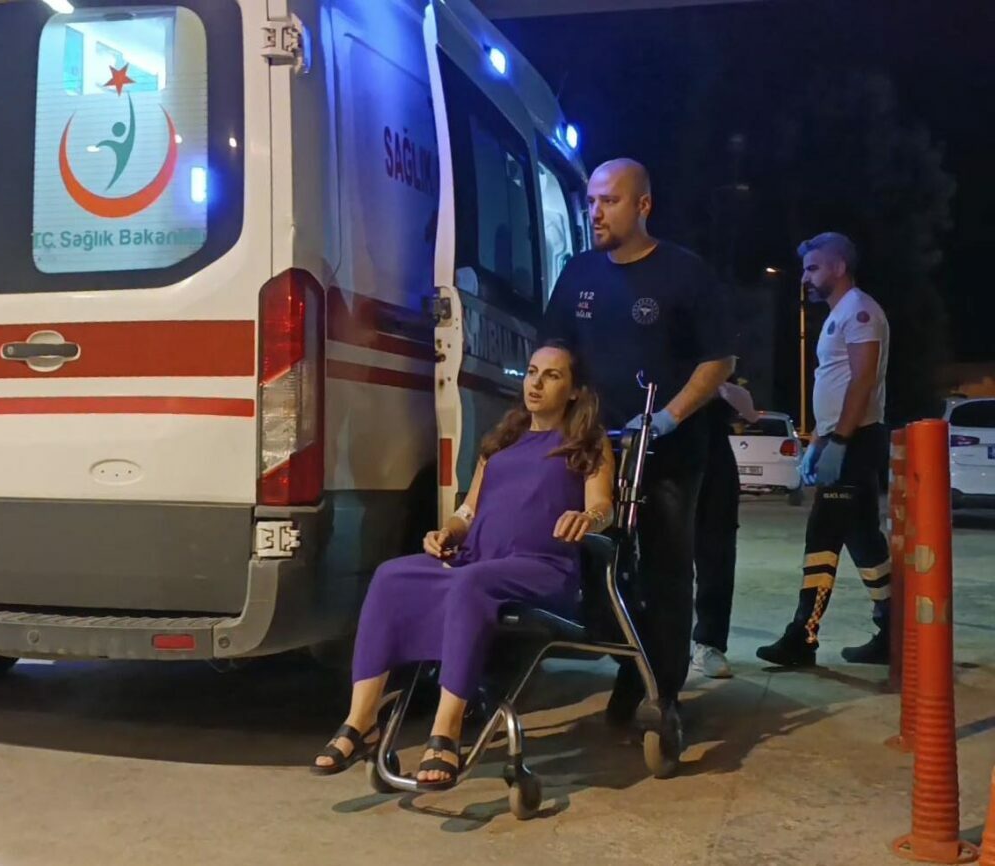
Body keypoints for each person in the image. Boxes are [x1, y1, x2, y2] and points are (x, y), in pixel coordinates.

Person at [311, 342, 615, 789]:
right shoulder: (503, 441)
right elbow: (468, 511)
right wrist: (447, 532)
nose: (535, 383)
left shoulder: (587, 443)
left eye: (551, 375)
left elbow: (603, 506)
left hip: (541, 568)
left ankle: (446, 731)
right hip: (478, 560)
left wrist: (587, 518)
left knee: (471, 582)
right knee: (392, 576)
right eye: (532, 372)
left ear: (573, 390)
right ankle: (362, 722)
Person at [540, 158, 734, 748]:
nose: (595, 212)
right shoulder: (578, 273)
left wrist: (669, 416)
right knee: (603, 566)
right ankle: (631, 666)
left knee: (666, 570)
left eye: (610, 201)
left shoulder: (684, 273)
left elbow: (718, 360)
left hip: (670, 453)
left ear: (643, 205)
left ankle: (663, 694)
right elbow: (553, 349)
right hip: (597, 455)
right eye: (591, 201)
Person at [757, 233, 892, 667]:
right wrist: (818, 441)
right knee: (863, 539)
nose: (805, 278)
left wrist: (841, 441)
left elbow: (862, 380)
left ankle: (802, 637)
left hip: (855, 441)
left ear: (838, 267)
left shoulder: (860, 311)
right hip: (844, 438)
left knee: (823, 536)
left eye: (813, 268)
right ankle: (893, 628)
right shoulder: (841, 313)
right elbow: (835, 389)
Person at [692, 377, 761, 679]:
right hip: (663, 455)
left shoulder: (715, 371)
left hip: (714, 463)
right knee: (660, 561)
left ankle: (709, 643)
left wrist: (717, 385)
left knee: (716, 558)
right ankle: (657, 643)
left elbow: (749, 411)